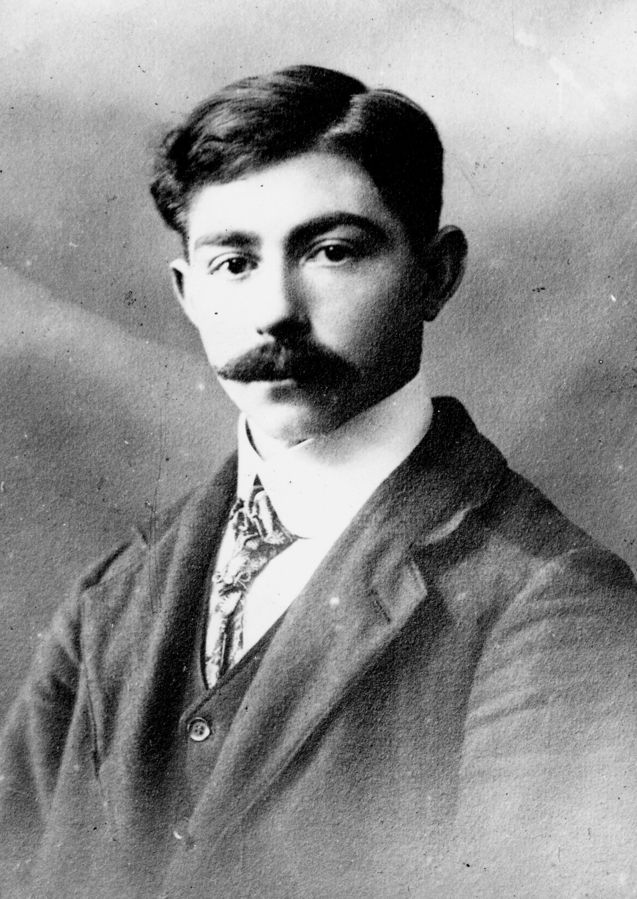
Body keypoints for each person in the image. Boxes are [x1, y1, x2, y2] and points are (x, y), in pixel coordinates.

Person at [1, 65, 636, 899]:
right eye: (233, 262)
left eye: (332, 252)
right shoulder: (108, 604)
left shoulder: (548, 600)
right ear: (187, 294)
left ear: (435, 274)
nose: (275, 309)